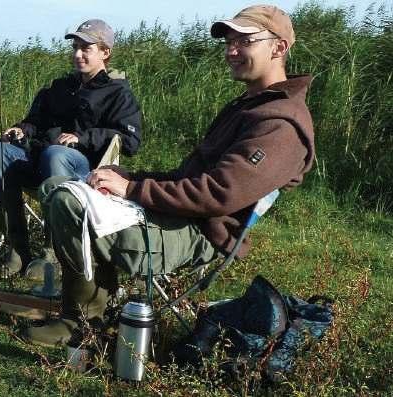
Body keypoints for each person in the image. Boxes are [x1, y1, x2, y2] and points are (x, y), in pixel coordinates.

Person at [25, 4, 316, 346]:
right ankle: (91, 305)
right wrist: (126, 176)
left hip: (198, 232)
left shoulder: (279, 124)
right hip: (179, 214)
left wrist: (132, 188)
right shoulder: (249, 106)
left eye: (244, 41)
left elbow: (218, 194)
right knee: (61, 185)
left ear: (278, 48)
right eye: (228, 42)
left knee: (67, 202)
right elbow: (186, 177)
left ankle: (82, 321)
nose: (231, 51)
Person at [0, 19, 142, 276]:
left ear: (105, 52)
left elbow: (131, 141)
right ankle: (17, 248)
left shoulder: (118, 93)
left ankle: (53, 254)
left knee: (56, 154)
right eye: (75, 48)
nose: (77, 54)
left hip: (86, 174)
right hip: (40, 159)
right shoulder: (60, 87)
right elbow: (36, 121)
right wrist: (22, 129)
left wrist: (82, 138)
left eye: (86, 48)